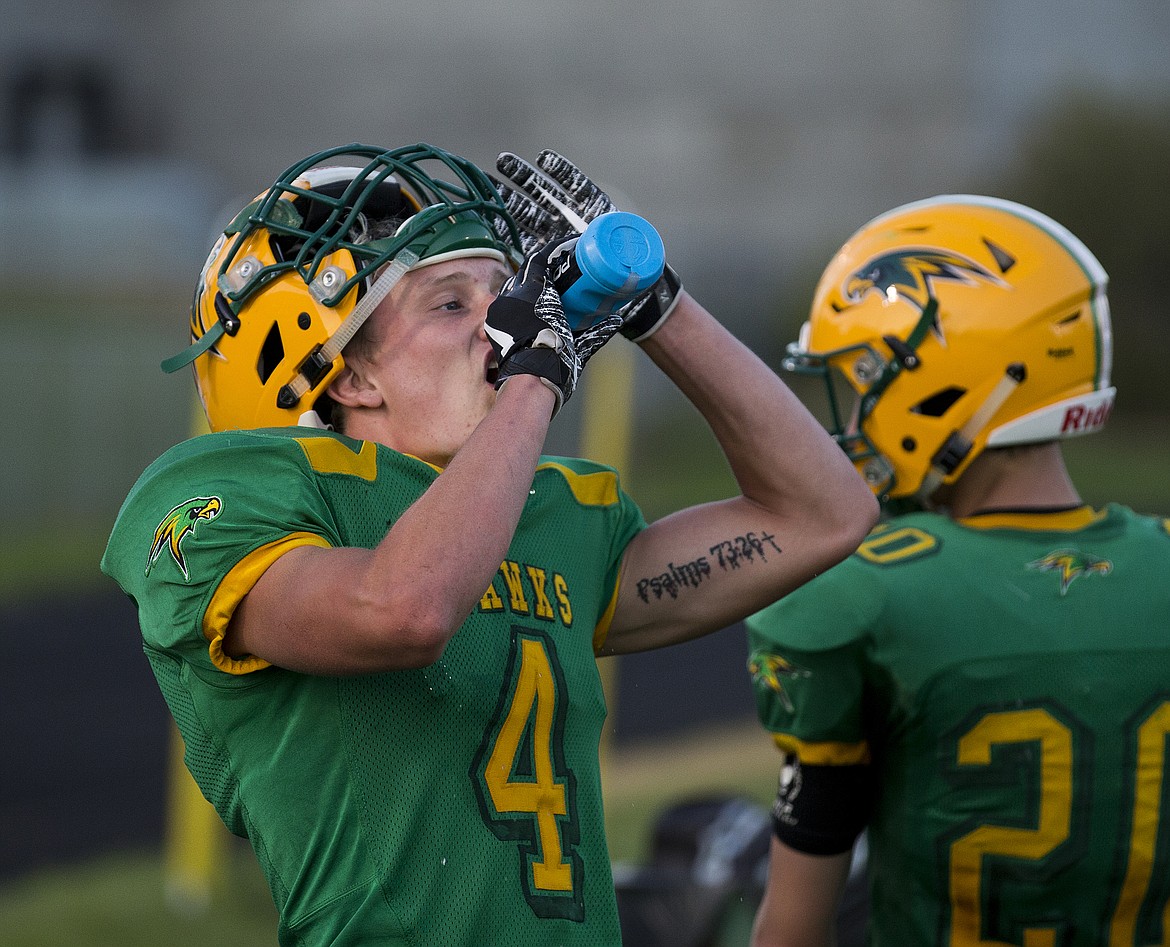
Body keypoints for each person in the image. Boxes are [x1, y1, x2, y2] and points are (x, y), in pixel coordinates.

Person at [100, 142, 876, 947]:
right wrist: (535, 374)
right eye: (449, 304)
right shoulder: (233, 496)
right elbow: (404, 608)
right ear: (349, 378)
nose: (505, 320)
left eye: (507, 292)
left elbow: (823, 513)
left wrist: (658, 307)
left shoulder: (545, 511)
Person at [745, 194, 1170, 947]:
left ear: (947, 380)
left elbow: (793, 930)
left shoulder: (867, 590)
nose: (853, 414)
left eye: (868, 374)